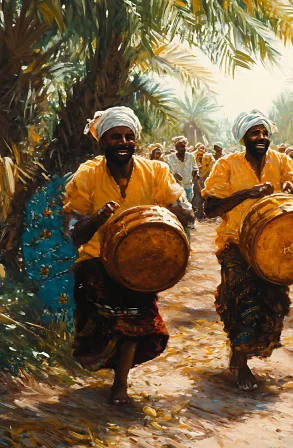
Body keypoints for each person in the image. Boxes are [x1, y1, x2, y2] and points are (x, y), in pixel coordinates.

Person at [63, 106, 194, 404]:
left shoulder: (156, 171)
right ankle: (104, 363)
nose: (122, 142)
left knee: (135, 319)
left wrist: (181, 210)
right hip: (96, 258)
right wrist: (98, 218)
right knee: (101, 316)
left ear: (135, 141)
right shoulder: (88, 174)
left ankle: (120, 384)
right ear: (103, 142)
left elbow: (182, 208)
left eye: (128, 136)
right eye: (115, 137)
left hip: (140, 261)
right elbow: (76, 233)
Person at [202, 110, 293, 391]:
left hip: (273, 246)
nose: (261, 138)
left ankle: (243, 351)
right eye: (254, 133)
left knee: (274, 303)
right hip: (235, 243)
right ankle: (240, 360)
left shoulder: (282, 161)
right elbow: (210, 208)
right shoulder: (227, 165)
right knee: (243, 298)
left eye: (264, 133)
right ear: (243, 138)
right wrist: (246, 194)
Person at [164, 136, 199, 202]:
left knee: (189, 204)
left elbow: (195, 169)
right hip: (176, 187)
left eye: (184, 146)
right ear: (176, 148)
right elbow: (167, 172)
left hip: (189, 186)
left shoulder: (190, 156)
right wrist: (174, 175)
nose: (183, 149)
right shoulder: (169, 158)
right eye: (181, 147)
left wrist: (194, 178)